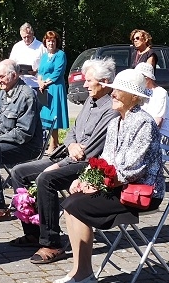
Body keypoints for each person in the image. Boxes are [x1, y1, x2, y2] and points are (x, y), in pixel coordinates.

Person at [54, 69, 164, 283]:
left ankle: (85, 276)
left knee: (78, 206)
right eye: (113, 89)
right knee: (71, 201)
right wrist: (84, 179)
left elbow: (133, 170)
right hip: (118, 185)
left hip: (140, 192)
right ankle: (78, 270)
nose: (112, 94)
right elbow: (105, 161)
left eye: (118, 90)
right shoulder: (117, 121)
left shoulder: (143, 122)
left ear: (134, 97)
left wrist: (98, 184)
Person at [9, 57, 118, 264]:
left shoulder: (111, 110)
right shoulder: (90, 100)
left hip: (88, 167)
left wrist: (57, 165)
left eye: (89, 81)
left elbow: (93, 150)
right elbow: (72, 133)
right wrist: (70, 145)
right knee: (19, 172)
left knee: (46, 179)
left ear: (104, 81)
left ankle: (51, 242)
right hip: (69, 156)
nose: (84, 84)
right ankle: (33, 232)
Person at [0, 60, 44, 222]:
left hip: (27, 146)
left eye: (1, 76)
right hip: (6, 141)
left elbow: (24, 134)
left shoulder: (26, 95)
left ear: (14, 75)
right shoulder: (2, 94)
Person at [37, 30, 69, 152]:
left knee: (54, 114)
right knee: (45, 115)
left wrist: (45, 83)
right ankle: (53, 142)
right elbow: (40, 71)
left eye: (53, 41)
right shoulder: (44, 56)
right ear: (45, 42)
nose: (51, 43)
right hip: (44, 89)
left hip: (55, 87)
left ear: (57, 42)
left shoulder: (60, 54)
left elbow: (58, 72)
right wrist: (40, 82)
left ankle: (53, 143)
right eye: (49, 41)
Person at [135, 62, 169, 144]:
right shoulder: (140, 91)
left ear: (147, 78)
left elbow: (157, 123)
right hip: (142, 134)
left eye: (138, 78)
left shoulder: (160, 93)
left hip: (160, 136)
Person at [9, 23, 43, 88]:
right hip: (19, 84)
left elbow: (47, 64)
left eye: (28, 36)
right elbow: (11, 63)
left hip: (36, 83)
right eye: (24, 37)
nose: (26, 39)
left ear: (32, 34)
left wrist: (37, 71)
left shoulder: (41, 47)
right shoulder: (17, 46)